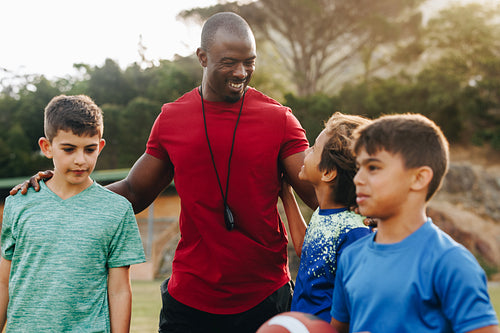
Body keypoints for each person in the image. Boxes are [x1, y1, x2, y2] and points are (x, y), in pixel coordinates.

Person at [10, 12, 317, 333]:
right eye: (229, 63)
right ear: (202, 57)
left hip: (264, 298)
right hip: (189, 301)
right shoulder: (172, 119)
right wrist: (59, 191)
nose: (242, 72)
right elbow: (133, 192)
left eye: (249, 62)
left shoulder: (279, 120)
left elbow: (319, 192)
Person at [330, 114, 499, 333]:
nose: (358, 178)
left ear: (419, 178)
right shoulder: (351, 258)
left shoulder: (451, 262)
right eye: (359, 167)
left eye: (373, 167)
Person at [0, 95, 146, 332]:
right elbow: (3, 282)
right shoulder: (18, 204)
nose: (80, 160)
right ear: (47, 147)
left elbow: (119, 290)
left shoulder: (117, 211)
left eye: (89, 150)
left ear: (100, 147)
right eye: (69, 149)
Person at [280, 112, 372, 323]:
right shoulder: (325, 213)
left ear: (328, 172)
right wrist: (286, 193)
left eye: (313, 148)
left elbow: (356, 303)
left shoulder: (356, 233)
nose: (306, 153)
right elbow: (307, 250)